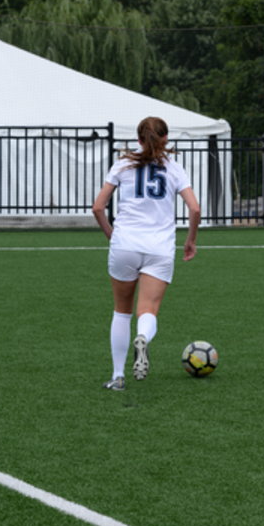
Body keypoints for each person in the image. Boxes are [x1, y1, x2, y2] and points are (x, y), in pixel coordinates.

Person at [92, 116, 201, 390]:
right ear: (166, 139)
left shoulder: (123, 164)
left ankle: (118, 376)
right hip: (159, 248)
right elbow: (195, 208)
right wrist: (190, 240)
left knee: (121, 311)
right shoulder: (174, 168)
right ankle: (142, 337)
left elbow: (98, 207)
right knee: (148, 310)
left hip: (125, 244)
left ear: (139, 140)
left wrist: (111, 234)